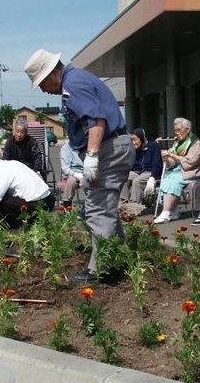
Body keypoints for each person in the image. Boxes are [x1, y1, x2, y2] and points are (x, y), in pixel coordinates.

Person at [25, 49, 134, 284]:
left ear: (53, 73)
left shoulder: (73, 84)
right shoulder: (78, 79)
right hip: (113, 145)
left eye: (42, 83)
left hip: (107, 147)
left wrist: (92, 155)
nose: (44, 90)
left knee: (97, 210)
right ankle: (117, 258)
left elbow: (96, 121)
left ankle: (101, 270)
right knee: (105, 208)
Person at [0, 154, 55, 228]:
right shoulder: (12, 163)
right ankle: (30, 220)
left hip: (36, 205)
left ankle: (15, 223)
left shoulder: (1, 172)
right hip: (49, 199)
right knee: (4, 195)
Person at [153, 117, 200, 224]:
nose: (176, 133)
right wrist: (167, 159)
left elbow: (191, 162)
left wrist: (172, 155)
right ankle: (174, 210)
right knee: (167, 179)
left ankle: (166, 212)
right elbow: (172, 162)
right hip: (178, 170)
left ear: (187, 130)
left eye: (179, 130)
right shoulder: (177, 143)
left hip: (191, 171)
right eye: (175, 130)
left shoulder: (195, 143)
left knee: (172, 182)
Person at [120, 128, 163, 204]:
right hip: (137, 171)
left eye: (135, 140)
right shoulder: (134, 149)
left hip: (149, 172)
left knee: (137, 181)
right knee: (123, 177)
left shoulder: (153, 146)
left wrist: (153, 176)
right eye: (132, 140)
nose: (133, 143)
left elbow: (157, 164)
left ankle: (134, 205)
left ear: (141, 138)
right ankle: (124, 203)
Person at [59, 142, 84, 208]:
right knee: (70, 182)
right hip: (72, 173)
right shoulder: (66, 148)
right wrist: (77, 175)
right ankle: (67, 208)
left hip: (87, 170)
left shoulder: (88, 145)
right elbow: (65, 168)